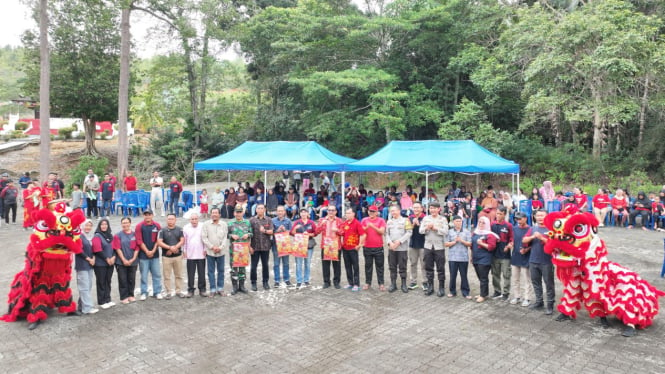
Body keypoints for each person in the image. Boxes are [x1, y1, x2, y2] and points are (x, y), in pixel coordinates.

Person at [523, 209, 555, 314]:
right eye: (538, 215)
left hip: (547, 261)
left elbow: (554, 244)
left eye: (542, 215)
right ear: (535, 217)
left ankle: (550, 305)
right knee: (536, 283)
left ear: (547, 217)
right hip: (533, 260)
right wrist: (533, 236)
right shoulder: (532, 229)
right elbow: (524, 240)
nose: (540, 217)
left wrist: (542, 238)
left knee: (549, 284)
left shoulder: (551, 229)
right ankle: (539, 301)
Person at [419, 201, 449, 297]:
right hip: (428, 246)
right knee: (428, 267)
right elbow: (420, 231)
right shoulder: (426, 218)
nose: (433, 210)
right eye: (431, 208)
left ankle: (441, 287)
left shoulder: (443, 219)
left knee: (440, 268)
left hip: (439, 247)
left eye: (435, 208)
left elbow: (445, 231)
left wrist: (435, 228)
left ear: (439, 209)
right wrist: (427, 228)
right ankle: (430, 286)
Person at [135, 209, 163, 300]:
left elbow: (158, 240)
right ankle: (144, 292)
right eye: (145, 215)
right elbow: (139, 240)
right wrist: (147, 251)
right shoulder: (139, 226)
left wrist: (153, 250)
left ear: (152, 215)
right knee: (143, 275)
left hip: (154, 255)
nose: (147, 216)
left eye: (149, 214)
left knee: (157, 274)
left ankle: (157, 292)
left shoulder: (157, 226)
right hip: (143, 255)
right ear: (143, 216)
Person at [157, 214, 186, 299]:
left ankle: (178, 291)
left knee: (179, 274)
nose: (170, 221)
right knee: (167, 276)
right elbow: (159, 242)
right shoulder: (162, 230)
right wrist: (170, 248)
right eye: (169, 219)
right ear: (166, 220)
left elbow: (182, 240)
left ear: (175, 220)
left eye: (172, 219)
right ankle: (168, 291)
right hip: (166, 257)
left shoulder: (180, 229)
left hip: (178, 256)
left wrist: (175, 248)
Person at [202, 207, 228, 296]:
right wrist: (212, 247)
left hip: (221, 252)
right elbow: (204, 237)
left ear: (219, 215)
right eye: (213, 213)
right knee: (210, 271)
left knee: (221, 271)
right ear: (210, 214)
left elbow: (225, 238)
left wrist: (220, 247)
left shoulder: (224, 224)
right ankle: (212, 289)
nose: (214, 214)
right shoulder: (206, 224)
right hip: (210, 252)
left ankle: (220, 288)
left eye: (216, 213)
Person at [385, 205, 413, 293]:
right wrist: (390, 243)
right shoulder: (389, 222)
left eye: (394, 210)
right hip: (392, 248)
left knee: (402, 267)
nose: (392, 212)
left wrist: (399, 242)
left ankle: (403, 284)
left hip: (402, 248)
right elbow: (386, 234)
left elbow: (409, 232)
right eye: (391, 211)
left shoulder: (406, 220)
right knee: (392, 267)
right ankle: (393, 284)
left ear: (399, 211)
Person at [471, 216, 497, 303]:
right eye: (479, 222)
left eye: (483, 223)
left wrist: (482, 244)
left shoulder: (490, 235)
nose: (481, 224)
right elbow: (472, 246)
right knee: (480, 276)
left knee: (483, 277)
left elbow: (491, 247)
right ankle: (483, 292)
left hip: (485, 258)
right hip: (475, 257)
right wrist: (471, 256)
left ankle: (483, 295)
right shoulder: (475, 233)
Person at [113, 216, 139, 304]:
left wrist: (133, 259)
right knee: (122, 279)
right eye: (123, 223)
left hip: (133, 261)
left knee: (132, 279)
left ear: (130, 223)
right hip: (121, 262)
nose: (125, 224)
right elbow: (117, 248)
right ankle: (124, 297)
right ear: (121, 224)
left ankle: (131, 295)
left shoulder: (135, 235)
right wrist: (124, 260)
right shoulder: (117, 235)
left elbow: (137, 248)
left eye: (127, 222)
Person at [510, 212, 533, 307]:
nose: (518, 221)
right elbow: (512, 240)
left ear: (525, 218)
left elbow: (533, 244)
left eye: (520, 219)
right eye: (516, 219)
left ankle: (527, 298)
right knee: (515, 279)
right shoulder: (514, 229)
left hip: (525, 257)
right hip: (515, 256)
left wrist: (526, 249)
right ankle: (517, 296)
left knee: (526, 279)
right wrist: (510, 244)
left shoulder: (531, 229)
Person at [445, 215, 472, 298]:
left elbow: (470, 244)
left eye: (460, 221)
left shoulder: (467, 231)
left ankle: (466, 292)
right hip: (452, 258)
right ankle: (452, 291)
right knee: (453, 275)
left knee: (464, 275)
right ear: (453, 222)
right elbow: (446, 244)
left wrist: (462, 241)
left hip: (463, 258)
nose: (458, 223)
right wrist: (454, 242)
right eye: (457, 221)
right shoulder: (449, 232)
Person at [338, 208, 365, 291]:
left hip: (353, 248)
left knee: (355, 266)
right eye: (346, 213)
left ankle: (356, 284)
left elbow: (363, 234)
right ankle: (350, 283)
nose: (347, 215)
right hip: (345, 248)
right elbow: (341, 233)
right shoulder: (345, 223)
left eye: (349, 213)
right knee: (347, 266)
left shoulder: (357, 223)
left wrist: (359, 245)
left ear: (353, 214)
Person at [317, 205, 344, 289]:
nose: (331, 212)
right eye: (329, 210)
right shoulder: (322, 220)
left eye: (333, 210)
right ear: (327, 211)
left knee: (336, 264)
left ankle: (336, 282)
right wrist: (321, 224)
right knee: (325, 264)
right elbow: (317, 231)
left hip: (336, 245)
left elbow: (343, 233)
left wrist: (337, 230)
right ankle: (326, 282)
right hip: (326, 245)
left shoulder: (339, 221)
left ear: (336, 211)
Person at [228, 204, 252, 294]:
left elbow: (251, 233)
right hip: (233, 250)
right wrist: (231, 235)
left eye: (240, 212)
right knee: (234, 268)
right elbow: (226, 235)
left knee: (242, 268)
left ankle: (242, 286)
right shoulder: (230, 223)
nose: (238, 214)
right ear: (234, 213)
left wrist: (248, 235)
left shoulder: (247, 222)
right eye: (237, 212)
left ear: (243, 212)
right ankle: (234, 287)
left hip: (243, 249)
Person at [361, 205, 386, 291]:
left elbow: (382, 232)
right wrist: (367, 227)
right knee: (368, 266)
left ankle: (381, 283)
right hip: (367, 246)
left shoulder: (381, 220)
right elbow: (361, 231)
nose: (371, 213)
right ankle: (368, 282)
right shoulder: (364, 220)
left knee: (380, 266)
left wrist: (373, 226)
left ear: (376, 212)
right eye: (370, 211)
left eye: (373, 211)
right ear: (368, 212)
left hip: (378, 247)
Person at [92, 219, 116, 309]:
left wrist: (113, 257)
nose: (104, 226)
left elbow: (114, 248)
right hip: (100, 263)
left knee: (108, 281)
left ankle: (108, 299)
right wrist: (107, 259)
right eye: (102, 224)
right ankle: (101, 301)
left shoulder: (110, 236)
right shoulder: (97, 236)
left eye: (106, 224)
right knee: (101, 282)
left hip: (110, 263)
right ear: (99, 226)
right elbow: (97, 249)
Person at [491, 206, 513, 301]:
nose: (498, 215)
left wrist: (508, 246)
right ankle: (497, 291)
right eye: (497, 213)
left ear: (504, 214)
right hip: (494, 254)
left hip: (505, 255)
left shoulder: (508, 226)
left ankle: (506, 293)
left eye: (500, 214)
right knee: (495, 274)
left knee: (506, 275)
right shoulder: (492, 225)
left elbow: (512, 239)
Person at [76, 219, 98, 314]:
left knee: (88, 286)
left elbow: (93, 249)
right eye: (86, 225)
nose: (88, 227)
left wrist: (93, 258)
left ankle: (81, 306)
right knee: (84, 287)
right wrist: (89, 259)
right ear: (82, 226)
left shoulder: (89, 237)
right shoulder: (79, 236)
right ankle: (87, 308)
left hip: (89, 265)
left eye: (90, 225)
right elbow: (78, 250)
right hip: (82, 264)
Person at [249, 204, 274, 291]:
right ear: (256, 210)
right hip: (254, 247)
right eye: (258, 208)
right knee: (253, 266)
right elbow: (249, 234)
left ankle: (265, 282)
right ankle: (253, 282)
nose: (260, 210)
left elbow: (272, 231)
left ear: (264, 210)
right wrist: (249, 247)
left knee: (265, 265)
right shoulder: (252, 220)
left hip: (265, 246)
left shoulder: (268, 220)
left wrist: (265, 231)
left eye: (261, 208)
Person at [291, 208, 317, 288]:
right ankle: (299, 281)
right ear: (300, 214)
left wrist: (309, 234)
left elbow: (315, 233)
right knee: (298, 264)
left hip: (309, 245)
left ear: (307, 214)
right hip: (299, 246)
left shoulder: (311, 222)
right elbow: (292, 233)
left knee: (307, 263)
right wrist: (295, 228)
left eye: (305, 212)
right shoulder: (297, 222)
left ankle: (306, 280)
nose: (303, 214)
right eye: (301, 213)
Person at [183, 212, 207, 297]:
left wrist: (205, 249)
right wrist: (184, 251)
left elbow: (205, 238)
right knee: (190, 274)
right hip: (190, 254)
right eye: (192, 219)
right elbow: (184, 241)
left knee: (202, 273)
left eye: (195, 219)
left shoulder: (202, 226)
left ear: (198, 219)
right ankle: (190, 290)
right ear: (190, 220)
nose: (194, 221)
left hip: (201, 253)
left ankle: (202, 289)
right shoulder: (186, 228)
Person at [272, 206, 293, 287]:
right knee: (276, 263)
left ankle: (286, 279)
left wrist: (285, 230)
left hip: (285, 245)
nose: (280, 212)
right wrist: (277, 231)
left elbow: (291, 232)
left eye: (281, 211)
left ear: (284, 212)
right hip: (276, 245)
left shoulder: (288, 221)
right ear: (276, 212)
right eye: (278, 211)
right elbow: (271, 232)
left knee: (286, 263)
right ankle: (277, 280)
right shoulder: (273, 220)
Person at [408, 202, 427, 290]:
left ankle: (425, 282)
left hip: (423, 244)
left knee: (424, 264)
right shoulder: (410, 218)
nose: (416, 209)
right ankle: (413, 281)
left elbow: (426, 231)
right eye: (414, 208)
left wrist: (419, 225)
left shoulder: (425, 218)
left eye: (417, 208)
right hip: (412, 244)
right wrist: (413, 224)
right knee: (413, 263)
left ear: (421, 208)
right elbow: (407, 230)